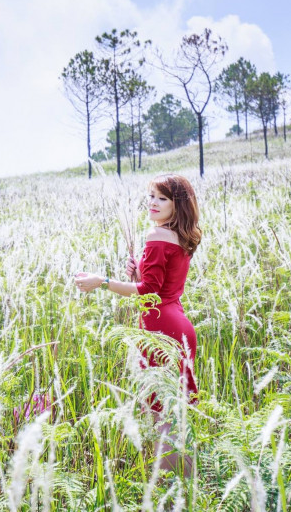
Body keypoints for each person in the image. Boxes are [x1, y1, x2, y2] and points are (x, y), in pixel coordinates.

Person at [73, 173, 201, 476]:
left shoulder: (157, 236)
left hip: (162, 330)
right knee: (177, 411)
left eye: (162, 198)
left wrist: (102, 282)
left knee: (162, 415)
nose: (153, 203)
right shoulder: (180, 234)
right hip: (176, 326)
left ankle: (173, 492)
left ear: (177, 204)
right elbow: (156, 286)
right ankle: (188, 486)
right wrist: (138, 272)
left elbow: (149, 292)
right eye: (151, 196)